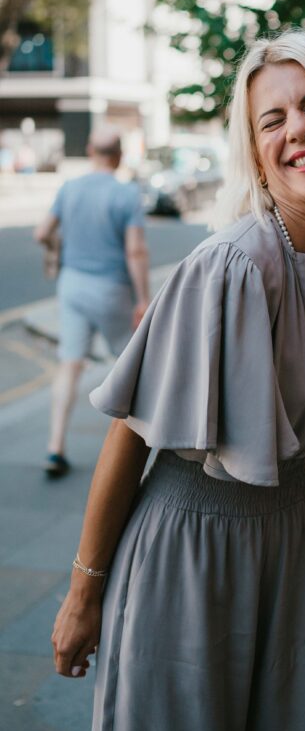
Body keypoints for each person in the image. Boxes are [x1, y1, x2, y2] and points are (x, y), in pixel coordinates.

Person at [50, 31, 305, 731]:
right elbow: (130, 433)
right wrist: (84, 594)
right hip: (189, 547)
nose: (296, 129)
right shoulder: (230, 266)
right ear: (258, 157)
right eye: (272, 121)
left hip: (294, 536)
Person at [34, 127, 150, 477]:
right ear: (119, 156)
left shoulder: (69, 189)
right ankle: (138, 446)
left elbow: (42, 233)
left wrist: (56, 250)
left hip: (72, 285)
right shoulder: (126, 194)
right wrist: (143, 298)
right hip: (111, 289)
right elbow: (135, 250)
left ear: (89, 151)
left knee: (69, 364)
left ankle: (55, 446)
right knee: (131, 368)